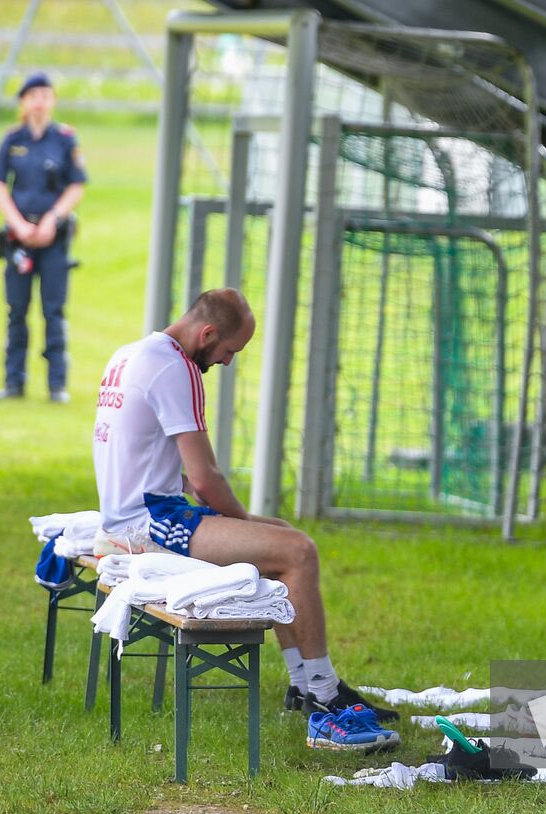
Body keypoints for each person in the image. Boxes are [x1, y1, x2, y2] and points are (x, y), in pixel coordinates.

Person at [91, 288, 401, 746]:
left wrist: (252, 525)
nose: (227, 361)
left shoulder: (130, 354)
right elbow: (207, 477)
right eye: (228, 350)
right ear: (208, 333)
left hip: (132, 514)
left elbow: (167, 467)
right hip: (149, 522)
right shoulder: (175, 367)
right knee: (298, 550)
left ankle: (305, 684)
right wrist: (245, 524)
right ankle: (322, 694)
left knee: (284, 536)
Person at [0, 73, 86, 403]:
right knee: (16, 310)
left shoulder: (65, 139)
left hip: (53, 239)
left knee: (53, 311)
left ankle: (56, 384)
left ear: (53, 100)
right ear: (24, 103)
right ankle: (14, 381)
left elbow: (76, 185)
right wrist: (17, 223)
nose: (40, 101)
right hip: (19, 239)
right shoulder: (13, 139)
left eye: (45, 95)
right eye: (33, 95)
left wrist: (51, 220)